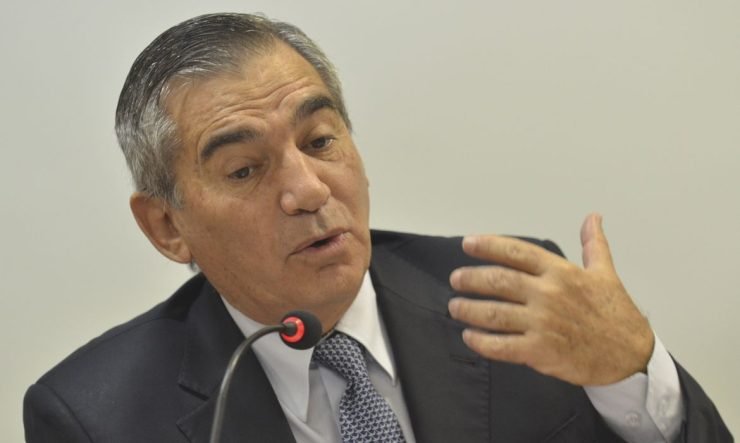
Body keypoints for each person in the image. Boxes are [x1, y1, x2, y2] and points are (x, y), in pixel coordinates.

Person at [23, 13, 731, 443]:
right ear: (167, 226)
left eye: (320, 140)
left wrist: (634, 373)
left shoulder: (512, 300)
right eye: (244, 170)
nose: (308, 189)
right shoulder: (94, 417)